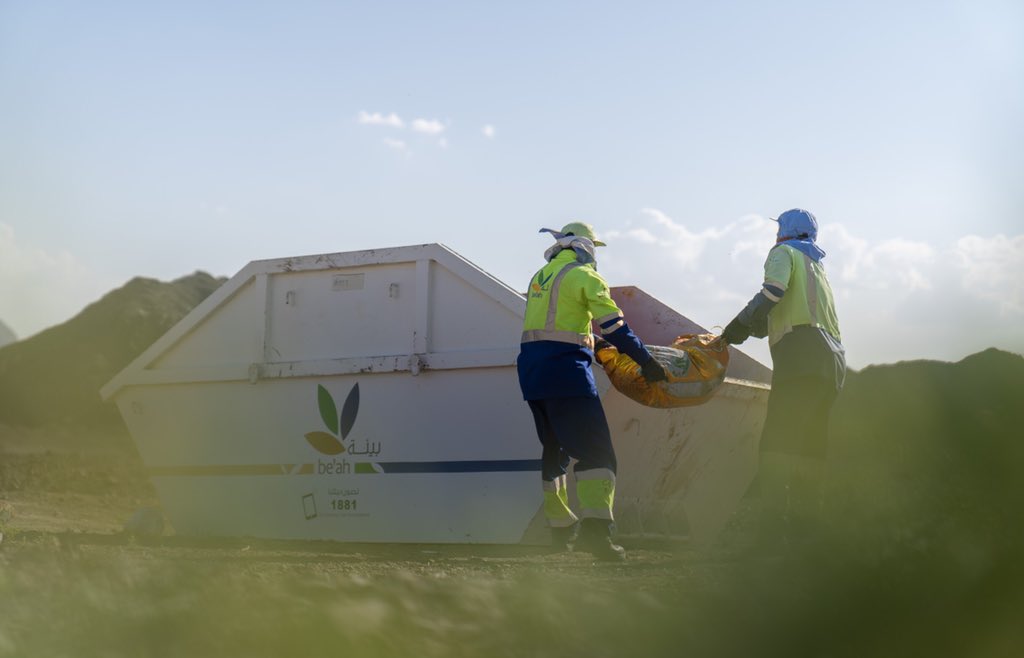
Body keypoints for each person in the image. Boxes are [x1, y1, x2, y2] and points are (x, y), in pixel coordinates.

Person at [517, 221, 667, 561]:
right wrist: (645, 361)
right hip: (566, 373)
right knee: (598, 454)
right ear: (586, 245)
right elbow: (615, 326)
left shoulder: (542, 276)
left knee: (554, 452)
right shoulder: (585, 275)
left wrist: (592, 342)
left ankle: (560, 533)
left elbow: (556, 324)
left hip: (533, 374)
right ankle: (597, 536)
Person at [719, 208, 846, 543]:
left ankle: (769, 525)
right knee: (812, 442)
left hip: (801, 356)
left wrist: (735, 327)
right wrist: (751, 328)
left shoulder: (782, 253)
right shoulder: (817, 266)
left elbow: (772, 294)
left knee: (779, 436)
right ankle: (807, 528)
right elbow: (789, 312)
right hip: (832, 361)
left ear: (785, 231)